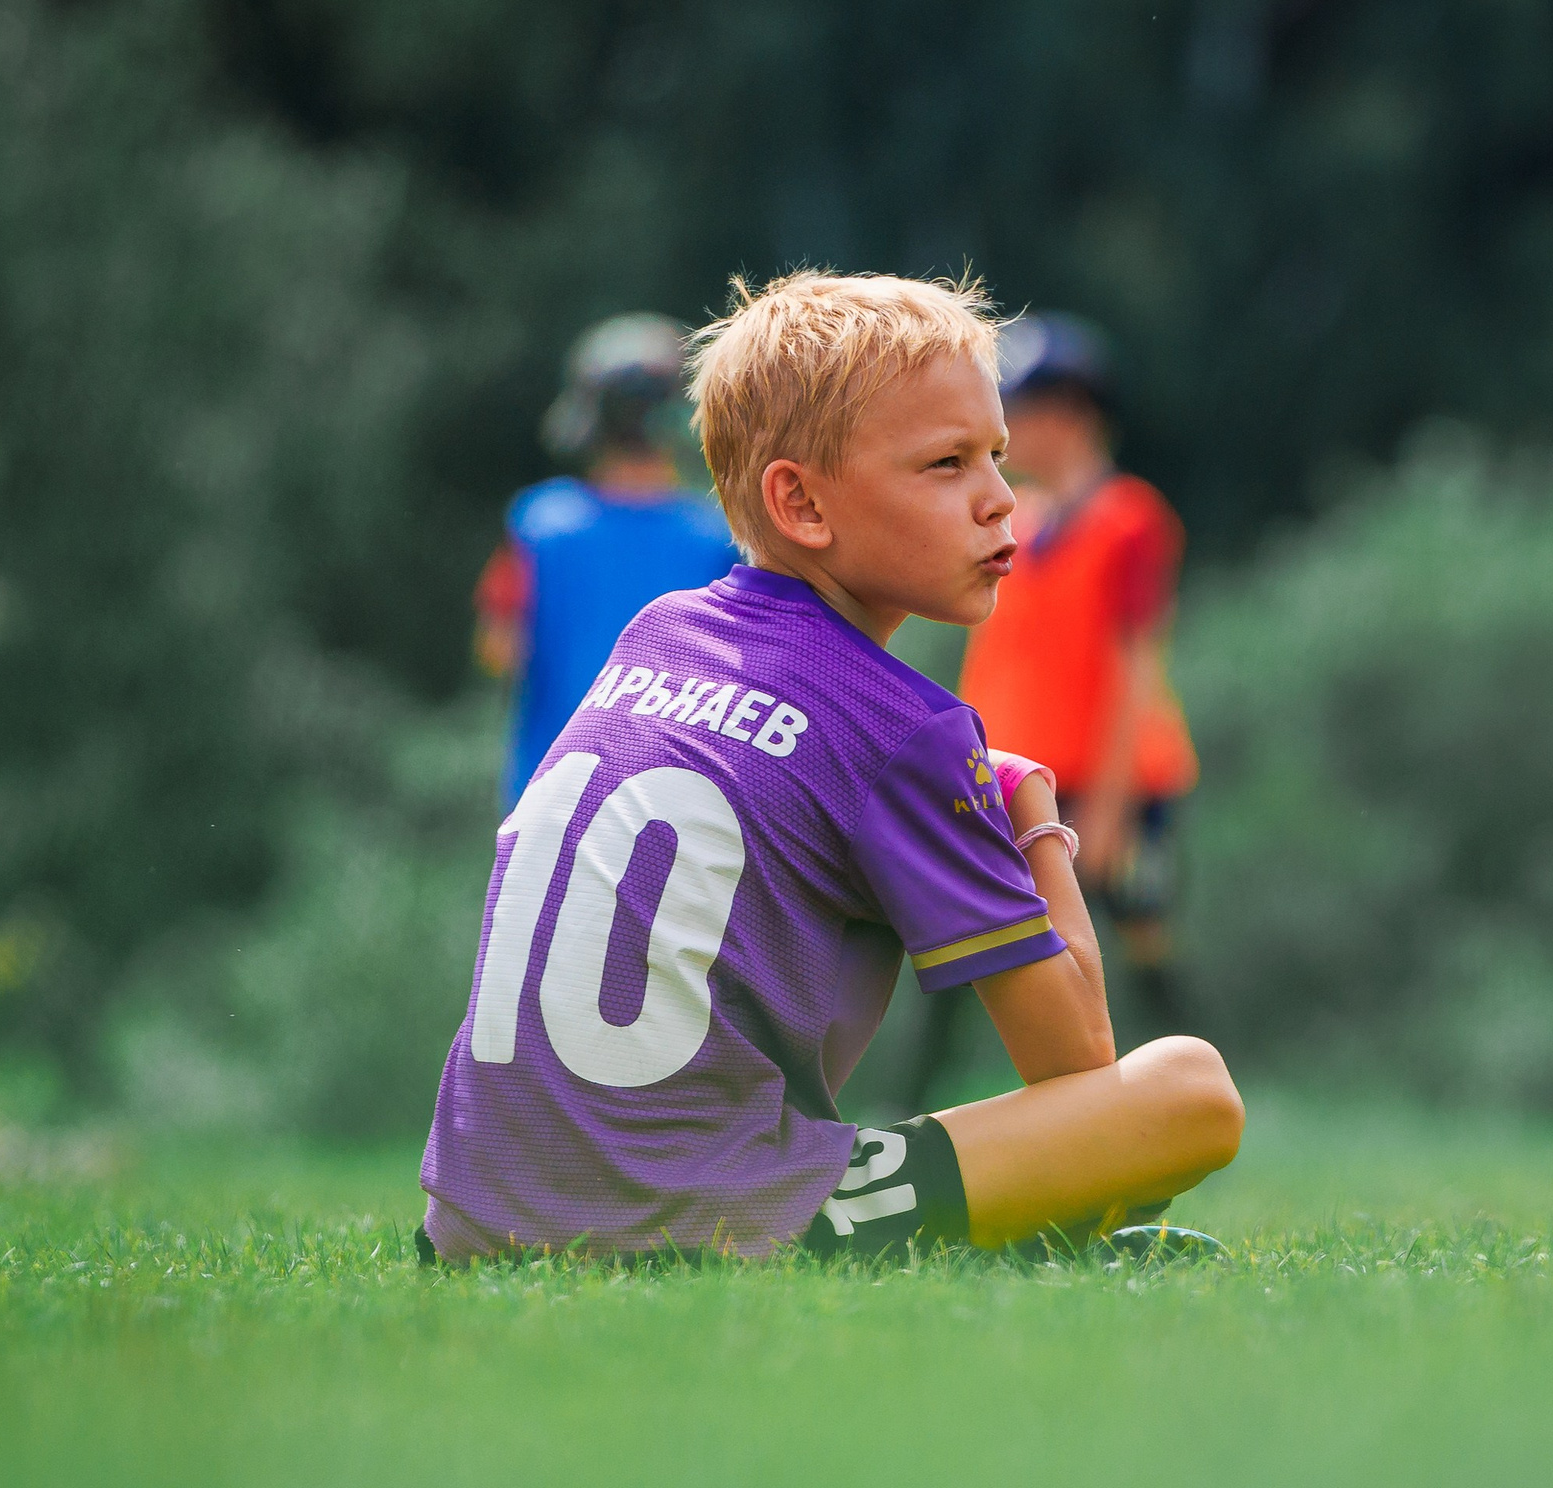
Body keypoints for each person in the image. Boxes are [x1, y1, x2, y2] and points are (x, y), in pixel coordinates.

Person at [418, 271, 1244, 1263]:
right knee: (1188, 1091)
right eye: (944, 465)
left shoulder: (658, 634)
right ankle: (979, 1242)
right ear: (800, 503)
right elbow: (1078, 1067)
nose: (997, 502)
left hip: (471, 1213)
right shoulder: (905, 729)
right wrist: (1032, 817)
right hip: (698, 1221)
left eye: (996, 457)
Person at [877, 315, 1200, 1114]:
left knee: (1139, 935)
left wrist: (1115, 806)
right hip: (1014, 778)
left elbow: (1135, 667)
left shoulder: (1128, 518)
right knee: (969, 940)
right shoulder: (1014, 515)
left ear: (1075, 414)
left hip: (1107, 779)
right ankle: (922, 1105)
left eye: (1027, 413)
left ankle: (1183, 1089)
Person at [476, 313, 738, 810]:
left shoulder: (538, 524)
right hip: (676, 806)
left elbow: (498, 651)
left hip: (550, 795)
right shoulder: (716, 537)